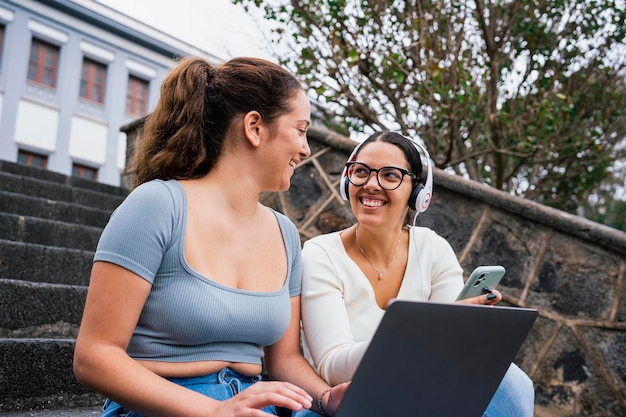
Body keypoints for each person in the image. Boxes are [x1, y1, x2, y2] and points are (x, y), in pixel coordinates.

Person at [73, 56, 348, 417]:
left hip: (258, 401)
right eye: (300, 130)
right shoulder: (157, 205)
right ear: (254, 127)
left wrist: (327, 397)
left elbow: (284, 360)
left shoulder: (285, 234)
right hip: (166, 403)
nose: (306, 148)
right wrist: (214, 411)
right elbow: (94, 356)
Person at [300, 131, 535, 416]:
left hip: (420, 394)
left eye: (390, 175)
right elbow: (332, 367)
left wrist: (460, 328)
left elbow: (450, 359)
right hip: (352, 402)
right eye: (360, 172)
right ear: (347, 181)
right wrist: (425, 335)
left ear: (417, 193)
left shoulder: (433, 248)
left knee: (512, 381)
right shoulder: (320, 254)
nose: (371, 184)